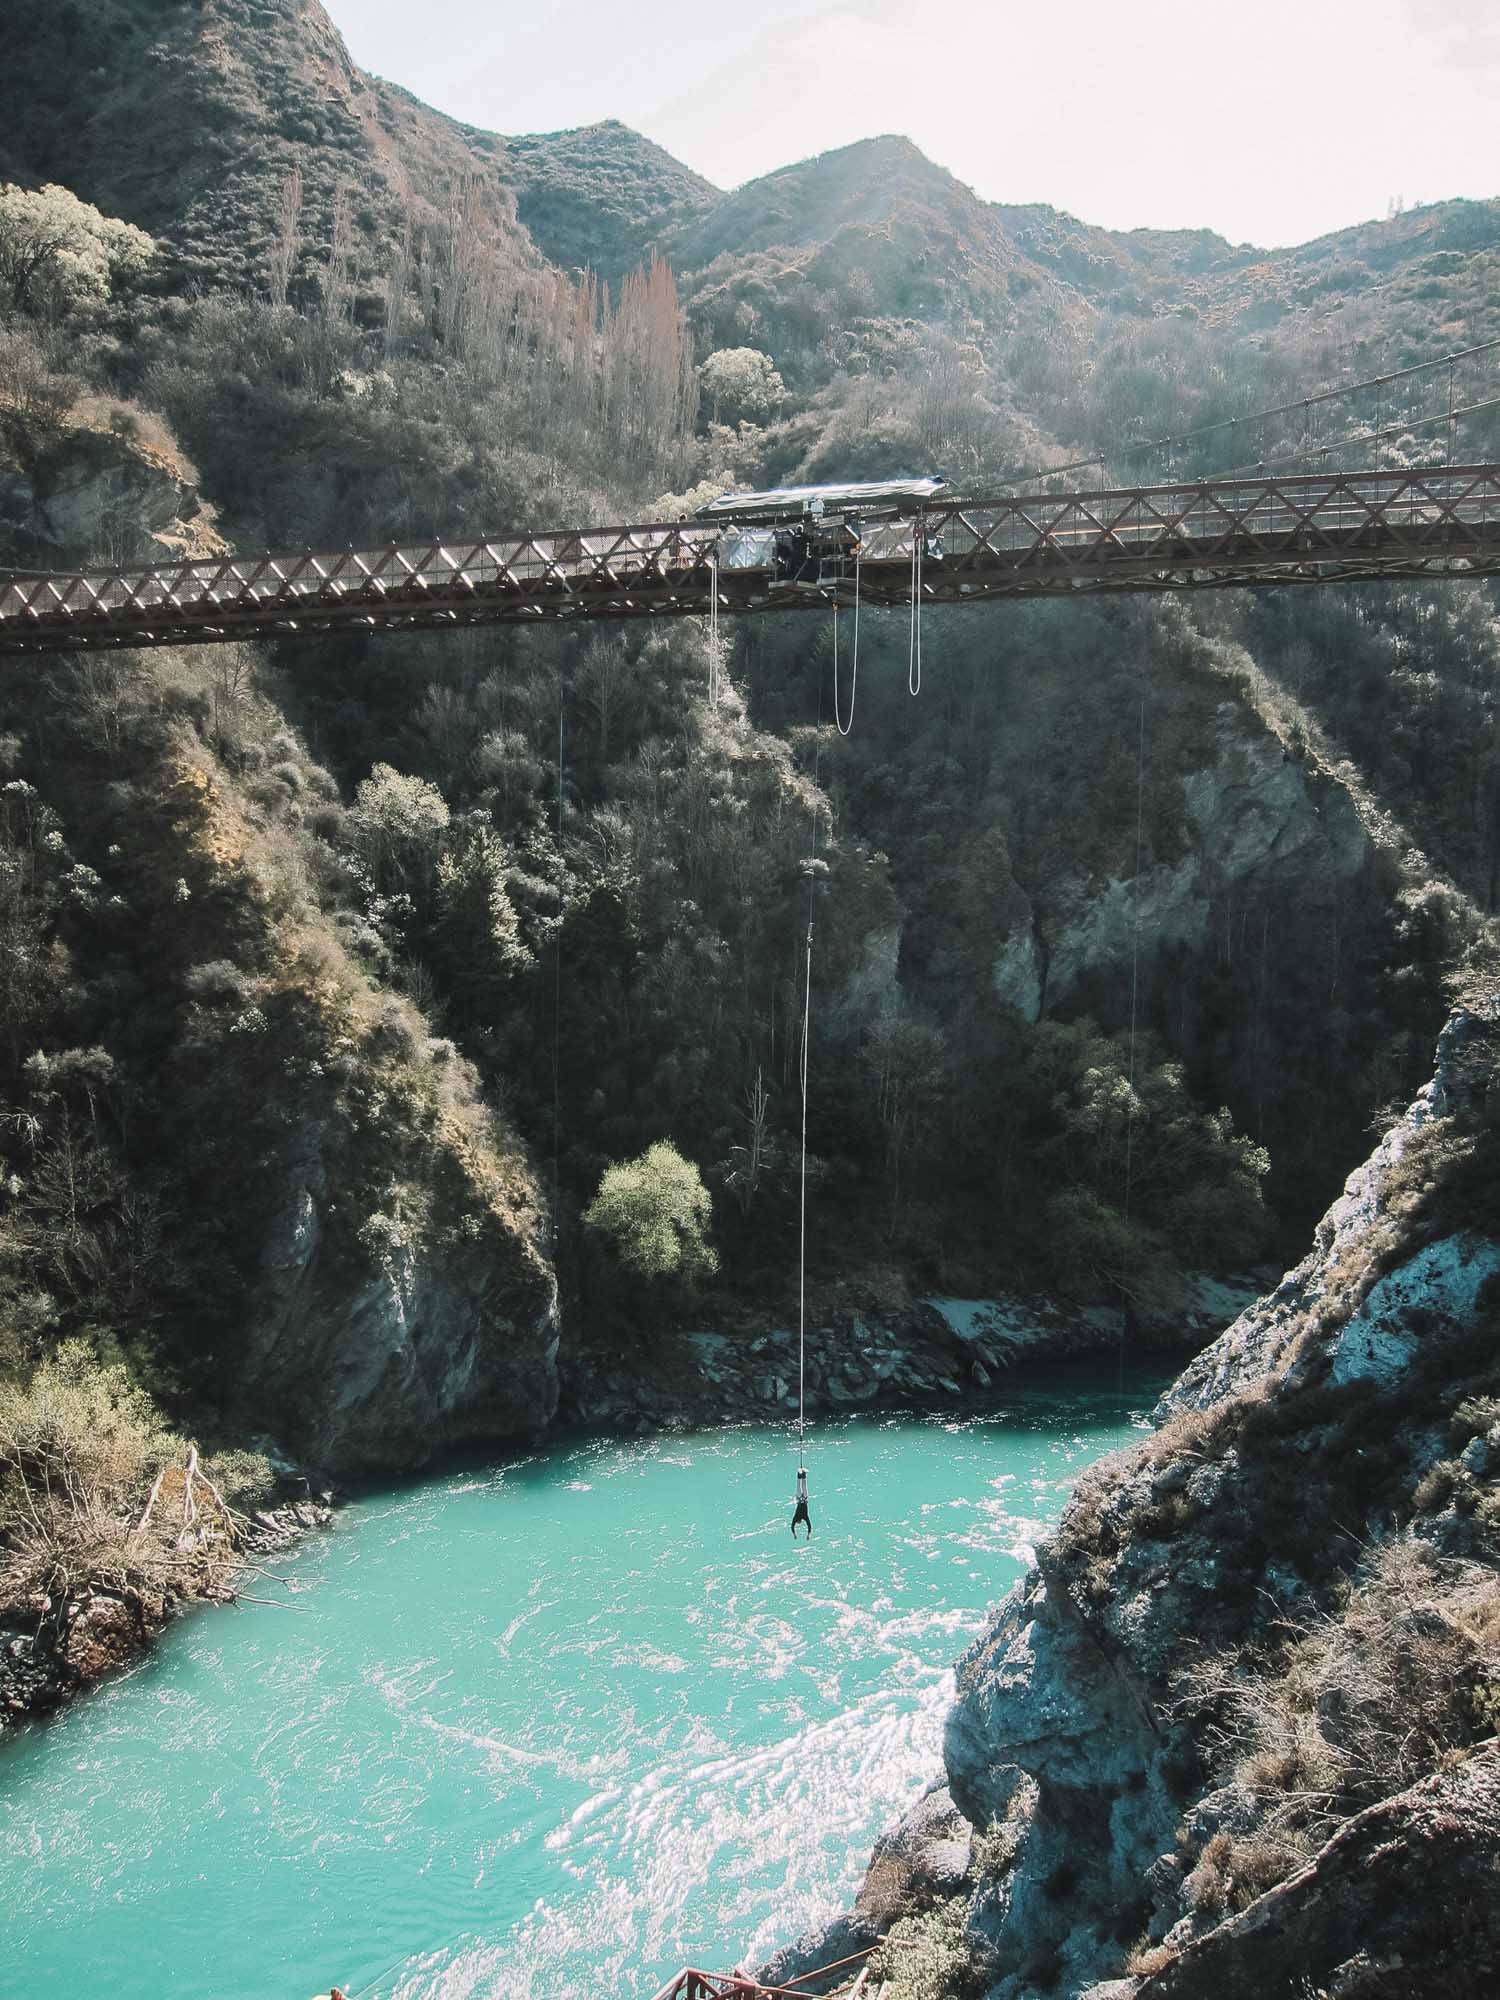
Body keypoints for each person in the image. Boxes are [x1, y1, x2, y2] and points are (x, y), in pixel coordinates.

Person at [791, 1465, 812, 1539]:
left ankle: (800, 1473)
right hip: (802, 1499)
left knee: (803, 1486)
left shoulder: (801, 1517)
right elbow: (792, 1526)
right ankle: (803, 1473)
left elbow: (809, 1525)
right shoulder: (801, 1517)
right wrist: (794, 1534)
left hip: (801, 1500)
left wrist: (808, 1534)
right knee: (802, 1486)